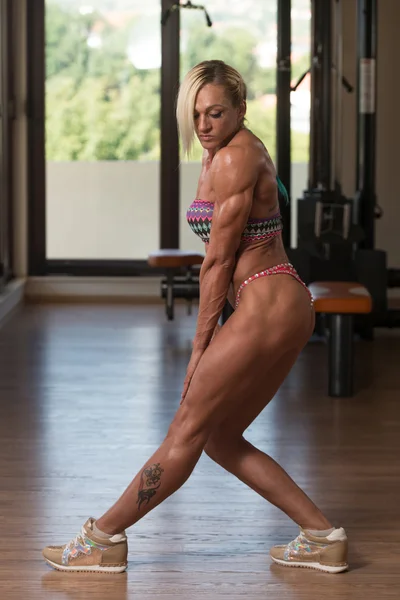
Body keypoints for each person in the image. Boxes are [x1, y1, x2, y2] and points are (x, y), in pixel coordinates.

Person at [42, 60, 348, 575]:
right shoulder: (220, 153)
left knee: (186, 426)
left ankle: (103, 538)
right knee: (221, 439)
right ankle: (323, 536)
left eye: (216, 113)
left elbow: (220, 262)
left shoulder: (235, 160)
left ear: (240, 111)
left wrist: (200, 347)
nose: (204, 125)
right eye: (197, 114)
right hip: (279, 302)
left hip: (265, 301)